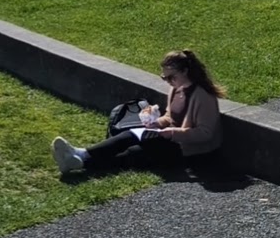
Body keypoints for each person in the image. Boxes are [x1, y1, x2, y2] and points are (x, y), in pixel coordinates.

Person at [59, 50, 222, 176]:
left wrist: (172, 133)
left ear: (185, 71)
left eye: (171, 77)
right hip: (171, 142)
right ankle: (79, 163)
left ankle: (82, 153)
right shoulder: (176, 89)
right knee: (135, 153)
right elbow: (169, 117)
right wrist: (157, 123)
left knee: (132, 135)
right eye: (164, 78)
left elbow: (205, 133)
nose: (168, 82)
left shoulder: (203, 96)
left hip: (191, 151)